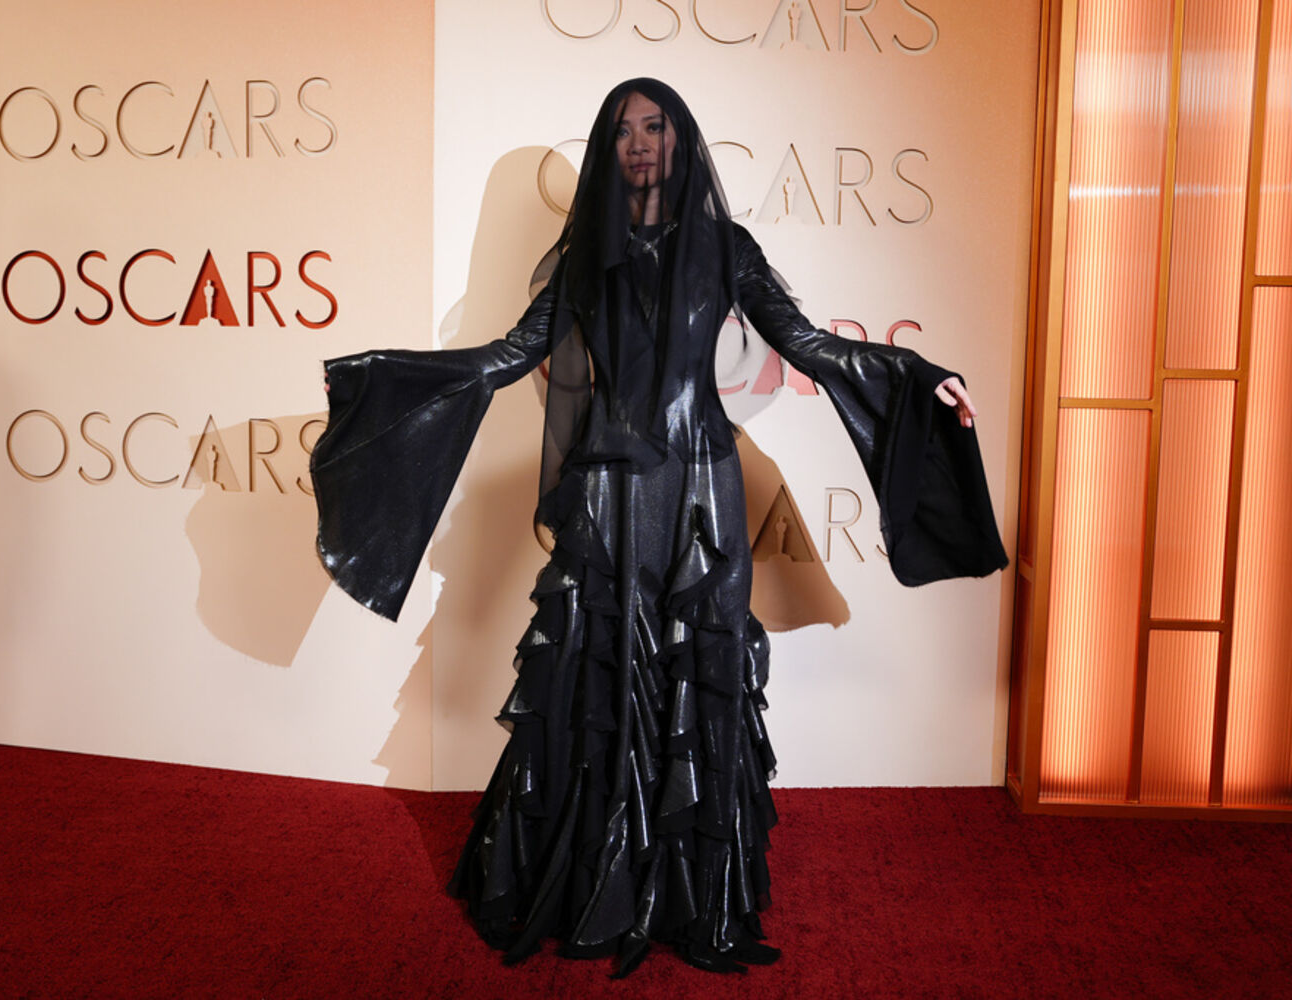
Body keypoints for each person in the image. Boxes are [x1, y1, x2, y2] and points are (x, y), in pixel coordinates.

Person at [312, 78, 1006, 976]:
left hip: (703, 493)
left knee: (699, 679)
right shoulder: (582, 259)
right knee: (595, 680)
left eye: (656, 125)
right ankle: (590, 887)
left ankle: (694, 900)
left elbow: (809, 346)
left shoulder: (726, 248)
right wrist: (377, 381)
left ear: (681, 141)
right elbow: (508, 357)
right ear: (609, 148)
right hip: (607, 496)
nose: (640, 140)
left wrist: (919, 372)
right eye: (623, 129)